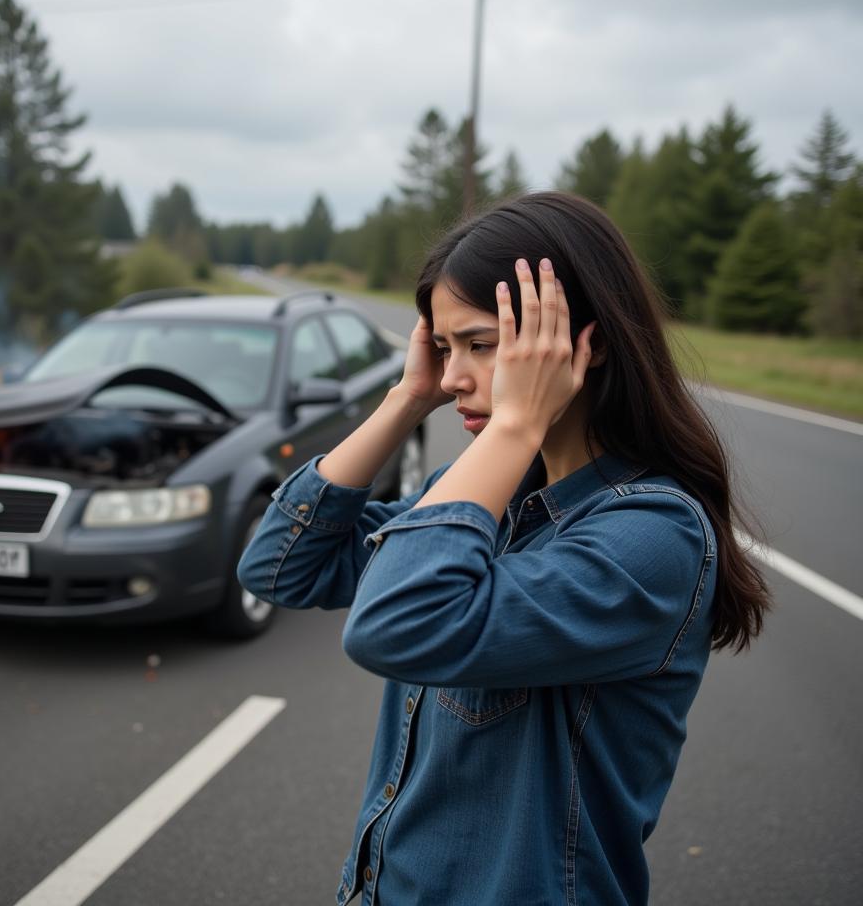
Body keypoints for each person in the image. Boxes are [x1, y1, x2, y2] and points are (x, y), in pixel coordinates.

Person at [237, 191, 771, 906]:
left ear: (589, 342)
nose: (454, 376)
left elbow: (394, 626)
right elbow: (281, 567)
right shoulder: (489, 498)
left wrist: (514, 425)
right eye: (443, 346)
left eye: (482, 345)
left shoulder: (653, 536)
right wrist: (405, 398)